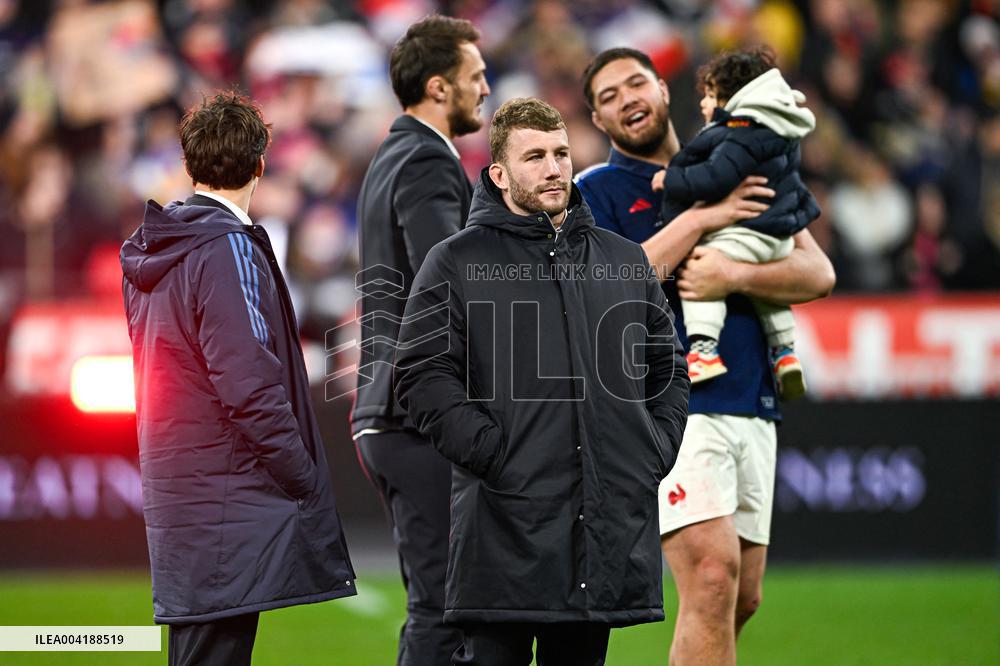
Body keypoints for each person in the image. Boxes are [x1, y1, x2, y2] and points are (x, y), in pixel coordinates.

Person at [393, 97, 690, 666]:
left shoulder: (625, 261)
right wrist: (491, 452)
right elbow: (422, 374)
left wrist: (652, 448)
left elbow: (669, 366)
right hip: (503, 530)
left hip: (598, 539)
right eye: (535, 157)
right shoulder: (455, 260)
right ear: (499, 174)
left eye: (560, 153)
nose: (554, 167)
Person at [577, 48, 835, 665]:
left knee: (742, 596)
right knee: (712, 579)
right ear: (596, 120)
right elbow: (622, 283)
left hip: (754, 397)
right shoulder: (597, 190)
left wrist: (731, 271)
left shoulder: (734, 152)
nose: (626, 99)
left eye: (635, 83)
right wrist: (707, 218)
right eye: (608, 97)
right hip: (673, 407)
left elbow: (817, 271)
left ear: (664, 90)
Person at [121, 90, 355, 666]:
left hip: (183, 484)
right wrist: (301, 475)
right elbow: (248, 380)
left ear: (190, 163)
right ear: (260, 164)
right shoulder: (227, 247)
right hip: (229, 493)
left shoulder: (154, 248)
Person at [351, 14, 490, 665]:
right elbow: (449, 273)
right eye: (475, 77)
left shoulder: (393, 153)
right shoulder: (429, 161)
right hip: (418, 414)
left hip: (391, 408)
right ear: (439, 87)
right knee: (445, 608)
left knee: (442, 603)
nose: (485, 90)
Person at [655, 47, 820, 398]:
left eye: (710, 95)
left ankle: (703, 349)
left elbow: (716, 176)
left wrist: (671, 180)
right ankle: (785, 352)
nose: (704, 105)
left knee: (703, 273)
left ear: (734, 97)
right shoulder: (781, 130)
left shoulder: (740, 131)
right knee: (770, 295)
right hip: (778, 234)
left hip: (745, 230)